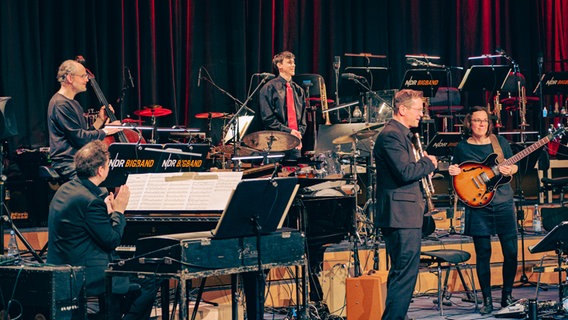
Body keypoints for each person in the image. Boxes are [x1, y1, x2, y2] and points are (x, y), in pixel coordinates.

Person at [47, 140, 157, 320]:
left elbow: (85, 227)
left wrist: (107, 213)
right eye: (107, 165)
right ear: (100, 170)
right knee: (150, 280)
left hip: (63, 268)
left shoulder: (66, 189)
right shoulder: (92, 201)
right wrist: (119, 210)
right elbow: (112, 241)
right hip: (86, 275)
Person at [373, 89, 438, 320]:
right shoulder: (391, 135)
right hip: (400, 214)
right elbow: (405, 172)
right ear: (403, 110)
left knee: (402, 275)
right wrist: (428, 163)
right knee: (404, 277)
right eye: (419, 110)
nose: (422, 114)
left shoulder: (403, 135)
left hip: (407, 213)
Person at [448, 106, 518, 315]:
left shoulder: (500, 142)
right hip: (478, 205)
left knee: (512, 252)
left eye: (484, 121)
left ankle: (507, 296)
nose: (481, 124)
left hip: (503, 201)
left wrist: (510, 168)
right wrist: (452, 171)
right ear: (469, 123)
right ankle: (487, 299)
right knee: (483, 254)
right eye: (477, 121)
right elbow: (456, 171)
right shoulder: (462, 147)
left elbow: (514, 165)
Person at [47, 59, 122, 181]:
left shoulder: (73, 103)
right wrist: (107, 131)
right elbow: (80, 139)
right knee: (100, 187)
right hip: (66, 162)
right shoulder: (60, 104)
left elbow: (83, 134)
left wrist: (99, 120)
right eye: (83, 76)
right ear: (70, 78)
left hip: (78, 160)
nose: (87, 79)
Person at [259, 51, 307, 160]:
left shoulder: (299, 91)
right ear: (279, 66)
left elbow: (303, 120)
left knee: (293, 174)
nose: (293, 65)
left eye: (293, 62)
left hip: (295, 144)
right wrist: (289, 132)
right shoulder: (268, 88)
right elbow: (268, 119)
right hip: (275, 144)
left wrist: (298, 135)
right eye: (289, 62)